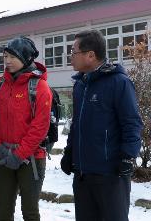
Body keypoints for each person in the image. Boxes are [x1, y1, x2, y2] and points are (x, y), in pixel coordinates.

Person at [60, 30, 142, 221]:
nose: (70, 57)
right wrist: (69, 152)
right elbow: (77, 124)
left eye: (73, 52)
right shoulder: (80, 85)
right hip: (83, 175)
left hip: (110, 175)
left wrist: (128, 157)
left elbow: (131, 123)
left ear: (90, 55)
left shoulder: (119, 82)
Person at [0, 36, 52, 221]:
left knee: (29, 210)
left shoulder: (39, 86)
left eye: (12, 57)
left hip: (31, 159)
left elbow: (40, 126)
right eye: (5, 57)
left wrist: (19, 155)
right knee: (4, 210)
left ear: (26, 57)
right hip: (4, 156)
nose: (7, 61)